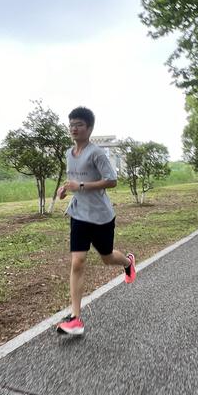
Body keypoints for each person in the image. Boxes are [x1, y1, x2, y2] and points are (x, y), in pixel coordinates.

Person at [55, 106, 137, 336]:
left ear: (89, 128)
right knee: (78, 261)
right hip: (79, 214)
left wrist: (80, 186)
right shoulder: (69, 154)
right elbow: (73, 180)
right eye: (71, 124)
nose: (74, 128)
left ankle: (128, 263)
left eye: (79, 124)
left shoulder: (97, 153)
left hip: (101, 216)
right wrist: (65, 189)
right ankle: (75, 319)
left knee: (107, 256)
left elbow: (111, 181)